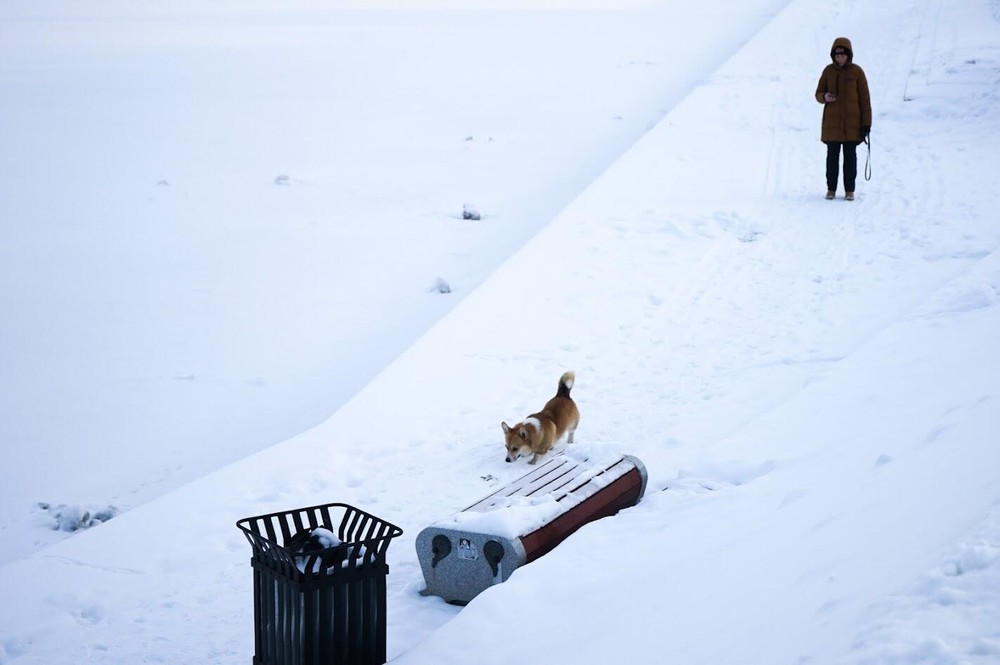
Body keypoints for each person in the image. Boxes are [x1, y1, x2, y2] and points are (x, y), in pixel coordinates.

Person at [815, 37, 872, 201]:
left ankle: (849, 191)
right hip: (832, 125)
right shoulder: (828, 71)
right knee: (831, 158)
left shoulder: (857, 72)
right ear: (833, 55)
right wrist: (825, 96)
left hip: (852, 126)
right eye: (837, 55)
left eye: (843, 55)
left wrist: (866, 123)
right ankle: (831, 189)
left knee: (850, 159)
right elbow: (818, 94)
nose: (840, 58)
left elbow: (865, 100)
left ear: (849, 55)